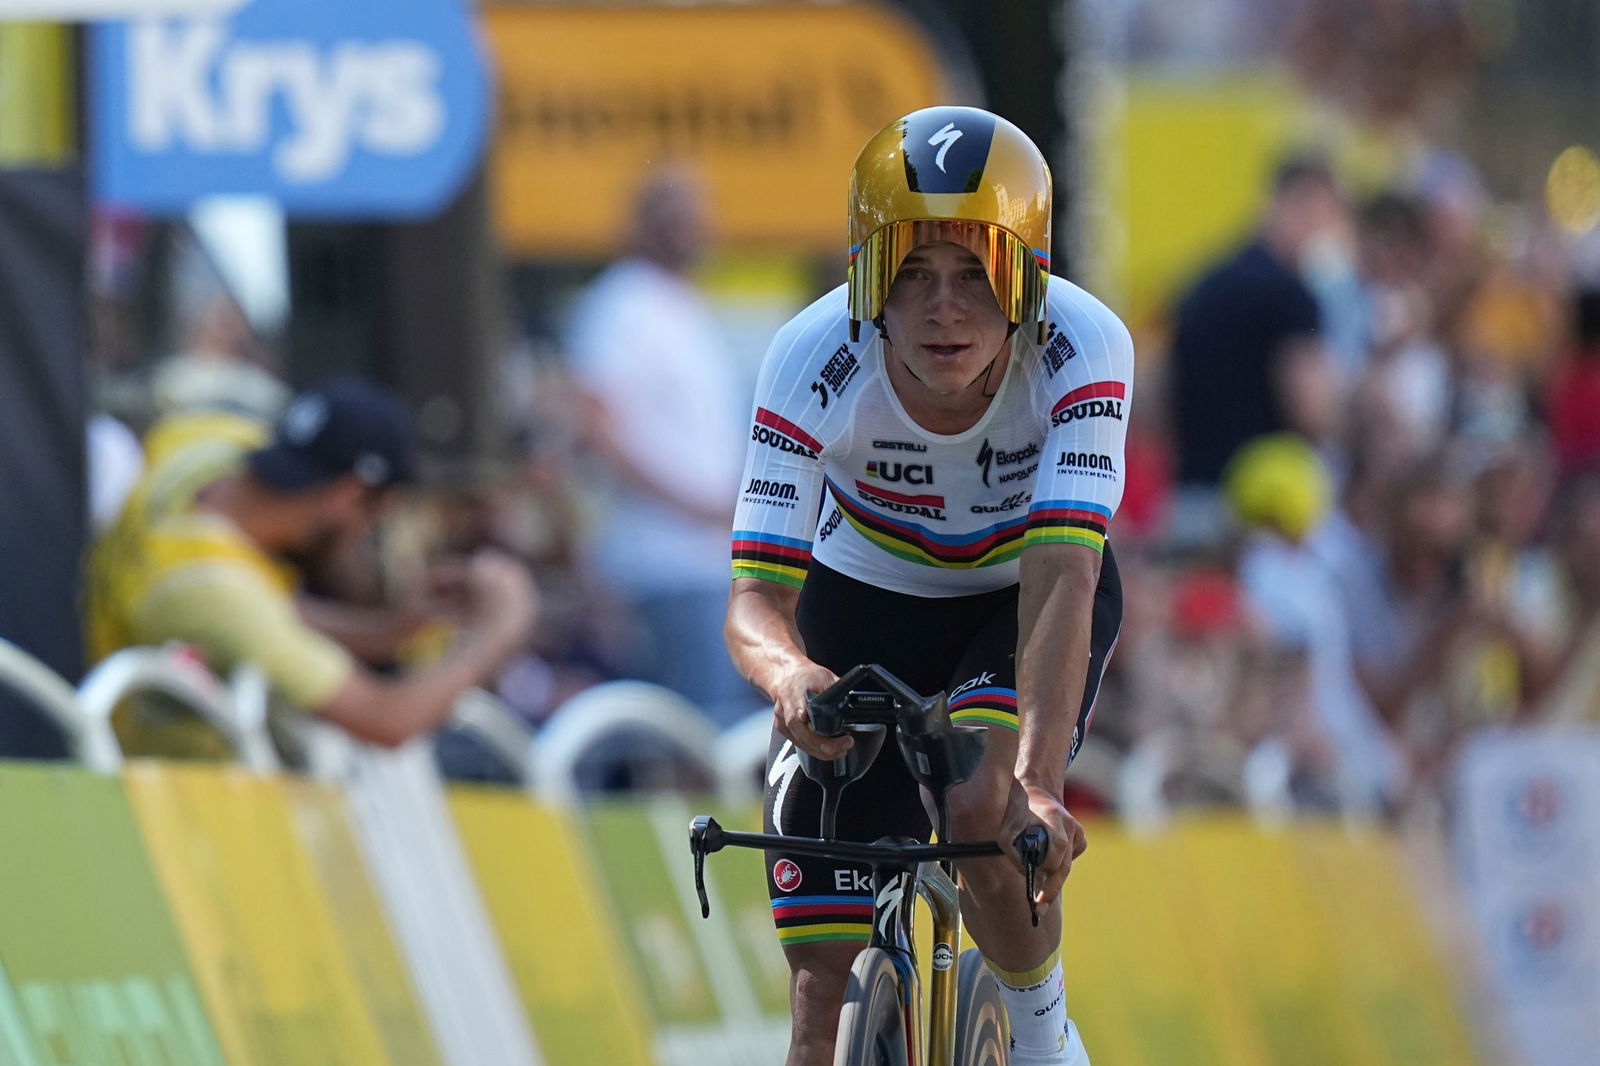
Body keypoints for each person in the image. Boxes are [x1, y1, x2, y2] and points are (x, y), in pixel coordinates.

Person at [725, 106, 1128, 1066]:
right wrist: (790, 678)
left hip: (1017, 595)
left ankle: (1043, 1038)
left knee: (985, 802)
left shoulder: (1084, 347)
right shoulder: (811, 357)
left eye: (975, 272)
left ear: (1026, 281)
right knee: (819, 990)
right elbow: (755, 600)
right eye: (911, 272)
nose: (944, 307)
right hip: (862, 592)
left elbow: (1064, 572)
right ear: (866, 279)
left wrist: (1038, 784)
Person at [85, 380, 537, 750]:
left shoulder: (204, 439)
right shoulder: (206, 590)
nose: (361, 542)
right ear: (350, 494)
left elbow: (266, 611)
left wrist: (389, 631)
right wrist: (497, 631)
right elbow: (385, 719)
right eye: (374, 519)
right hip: (148, 793)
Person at [565, 168, 752, 722]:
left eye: (692, 213)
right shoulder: (621, 304)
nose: (686, 226)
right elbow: (599, 431)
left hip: (712, 562)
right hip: (662, 565)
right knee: (695, 730)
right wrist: (698, 508)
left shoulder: (684, 306)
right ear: (641, 223)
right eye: (670, 213)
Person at [1166, 154, 1350, 546]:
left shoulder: (1204, 284)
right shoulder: (1292, 296)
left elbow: (1161, 398)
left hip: (1189, 501)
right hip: (1263, 511)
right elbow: (1310, 411)